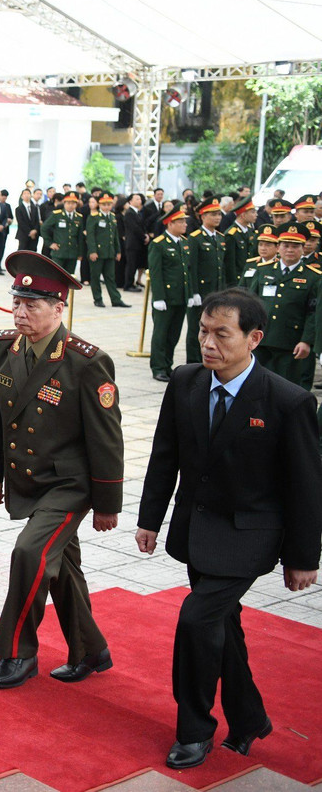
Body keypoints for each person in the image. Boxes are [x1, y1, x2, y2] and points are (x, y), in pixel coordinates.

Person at [137, 288, 322, 770]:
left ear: (254, 338)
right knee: (222, 627)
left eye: (222, 334)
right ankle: (249, 718)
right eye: (203, 331)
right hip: (197, 530)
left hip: (249, 537)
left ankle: (195, 728)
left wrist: (304, 557)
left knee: (197, 620)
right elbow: (165, 455)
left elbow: (306, 487)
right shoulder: (186, 382)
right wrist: (149, 520)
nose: (208, 343)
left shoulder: (289, 401)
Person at [0, 252, 122, 689]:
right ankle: (91, 649)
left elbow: (106, 438)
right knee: (59, 568)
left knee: (29, 553)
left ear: (59, 309)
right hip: (28, 477)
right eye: (17, 302)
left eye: (33, 305)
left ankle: (18, 652)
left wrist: (106, 503)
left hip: (69, 484)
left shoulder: (85, 361)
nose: (20, 312)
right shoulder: (5, 345)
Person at [246, 223, 319, 389]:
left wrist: (306, 341)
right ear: (278, 247)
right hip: (261, 339)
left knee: (287, 388)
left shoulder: (312, 277)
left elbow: (313, 313)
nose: (290, 250)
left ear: (302, 248)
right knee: (257, 385)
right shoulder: (264, 271)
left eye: (295, 246)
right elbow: (250, 304)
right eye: (286, 245)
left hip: (291, 343)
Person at [149, 207, 191, 382]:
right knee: (161, 334)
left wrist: (188, 294)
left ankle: (167, 365)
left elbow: (186, 272)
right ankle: (158, 367)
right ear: (170, 223)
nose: (184, 224)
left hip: (180, 297)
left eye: (184, 221)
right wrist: (158, 297)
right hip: (165, 298)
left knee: (174, 334)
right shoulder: (159, 243)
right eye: (181, 221)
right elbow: (156, 272)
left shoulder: (183, 242)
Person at [186, 200, 228, 364]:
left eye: (218, 214)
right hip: (201, 291)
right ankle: (193, 361)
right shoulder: (195, 238)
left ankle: (208, 358)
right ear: (203, 216)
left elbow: (221, 268)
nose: (217, 218)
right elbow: (192, 268)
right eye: (213, 214)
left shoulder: (220, 238)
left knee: (214, 328)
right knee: (195, 329)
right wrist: (194, 291)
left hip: (216, 291)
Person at [86, 194, 130, 308]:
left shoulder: (112, 217)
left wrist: (118, 251)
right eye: (104, 204)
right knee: (95, 277)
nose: (107, 207)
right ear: (99, 204)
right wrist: (92, 251)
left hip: (109, 252)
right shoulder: (94, 217)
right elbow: (90, 236)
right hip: (97, 252)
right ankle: (98, 299)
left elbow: (115, 236)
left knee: (110, 277)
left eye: (109, 204)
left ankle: (116, 299)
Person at [40, 193, 83, 278]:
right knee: (56, 277)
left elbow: (80, 237)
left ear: (76, 204)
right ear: (64, 203)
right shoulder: (57, 215)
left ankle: (66, 292)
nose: (71, 205)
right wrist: (50, 243)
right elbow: (44, 228)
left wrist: (80, 253)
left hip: (72, 253)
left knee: (69, 278)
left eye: (73, 203)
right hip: (59, 252)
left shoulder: (79, 217)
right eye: (68, 203)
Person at [222, 199, 256, 286]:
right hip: (237, 280)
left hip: (248, 277)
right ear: (243, 215)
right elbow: (230, 264)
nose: (256, 215)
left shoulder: (249, 231)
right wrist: (233, 284)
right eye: (252, 212)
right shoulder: (231, 234)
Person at [120, 193, 146, 291]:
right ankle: (128, 285)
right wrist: (144, 236)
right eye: (137, 199)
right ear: (130, 201)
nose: (139, 201)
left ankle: (132, 283)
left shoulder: (136, 212)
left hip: (137, 244)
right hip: (132, 243)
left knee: (134, 265)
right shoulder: (130, 213)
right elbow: (135, 228)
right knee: (131, 265)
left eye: (140, 199)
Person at [15, 187, 41, 253]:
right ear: (22, 196)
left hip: (34, 235)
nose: (26, 195)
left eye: (28, 193)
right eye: (24, 194)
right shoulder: (18, 209)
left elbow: (37, 221)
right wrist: (30, 232)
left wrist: (35, 230)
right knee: (22, 253)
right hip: (24, 234)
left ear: (31, 195)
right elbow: (21, 222)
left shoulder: (35, 207)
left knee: (33, 253)